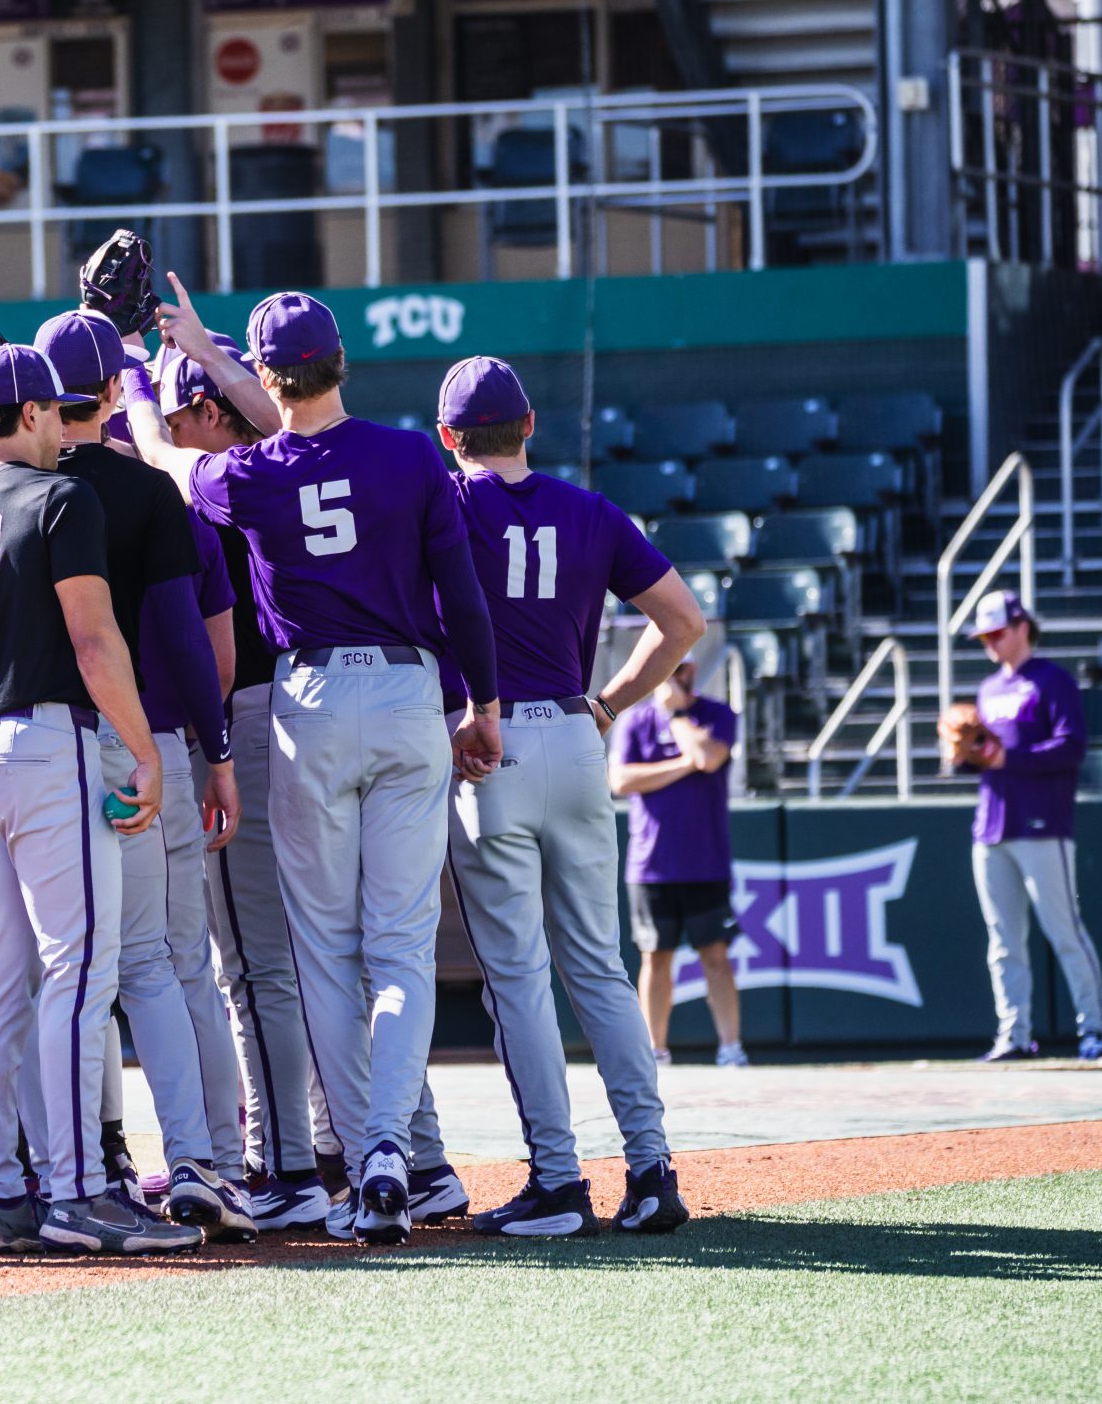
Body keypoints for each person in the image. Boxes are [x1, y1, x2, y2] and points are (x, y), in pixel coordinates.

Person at [126, 282, 501, 1247]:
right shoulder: (413, 454)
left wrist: (144, 377)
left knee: (325, 951)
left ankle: (368, 1156)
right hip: (413, 693)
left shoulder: (252, 471)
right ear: (342, 362)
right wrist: (483, 703)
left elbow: (171, 463)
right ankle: (389, 1152)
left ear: (265, 377)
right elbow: (461, 591)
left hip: (312, 700)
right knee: (402, 945)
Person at [0, 342, 200, 1258]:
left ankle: (1, 1191)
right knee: (80, 972)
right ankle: (78, 1191)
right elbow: (92, 634)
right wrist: (146, 749)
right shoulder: (60, 495)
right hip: (45, 742)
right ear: (35, 413)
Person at [428, 357, 705, 1239]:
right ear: (530, 425)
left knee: (518, 976)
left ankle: (556, 1178)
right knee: (600, 967)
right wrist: (611, 704)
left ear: (448, 438)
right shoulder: (590, 509)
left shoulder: (448, 502)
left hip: (489, 738)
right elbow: (685, 621)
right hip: (576, 736)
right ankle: (652, 1167)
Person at [33, 309, 250, 1241]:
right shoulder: (153, 491)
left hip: (36, 750)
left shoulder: (3, 489)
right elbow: (187, 642)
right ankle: (204, 1159)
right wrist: (215, 750)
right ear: (116, 392)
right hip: (146, 744)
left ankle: (70, 1167)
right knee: (163, 966)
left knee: (66, 972)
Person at [155, 339, 340, 1231]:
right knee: (334, 949)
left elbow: (183, 452)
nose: (171, 423)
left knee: (254, 958)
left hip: (253, 714)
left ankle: (288, 1163)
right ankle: (375, 1147)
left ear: (212, 408)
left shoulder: (232, 474)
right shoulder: (294, 457)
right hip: (315, 703)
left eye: (181, 408)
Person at [954, 590, 1102, 1062]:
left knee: (1064, 930)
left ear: (1023, 627)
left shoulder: (1052, 681)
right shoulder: (988, 689)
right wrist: (963, 757)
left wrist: (1009, 756)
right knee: (1002, 940)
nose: (990, 644)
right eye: (984, 637)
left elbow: (1072, 747)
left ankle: (1094, 1031)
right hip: (992, 825)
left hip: (1042, 824)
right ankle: (1015, 1034)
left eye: (997, 633)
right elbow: (985, 760)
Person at [611, 653, 747, 1068]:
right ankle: (655, 1050)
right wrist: (684, 765)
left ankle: (730, 1047)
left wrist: (675, 718)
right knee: (655, 957)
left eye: (682, 668)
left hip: (706, 862)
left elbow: (709, 757)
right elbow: (620, 781)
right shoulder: (635, 721)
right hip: (651, 864)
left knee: (716, 956)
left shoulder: (717, 714)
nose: (676, 676)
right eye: (669, 668)